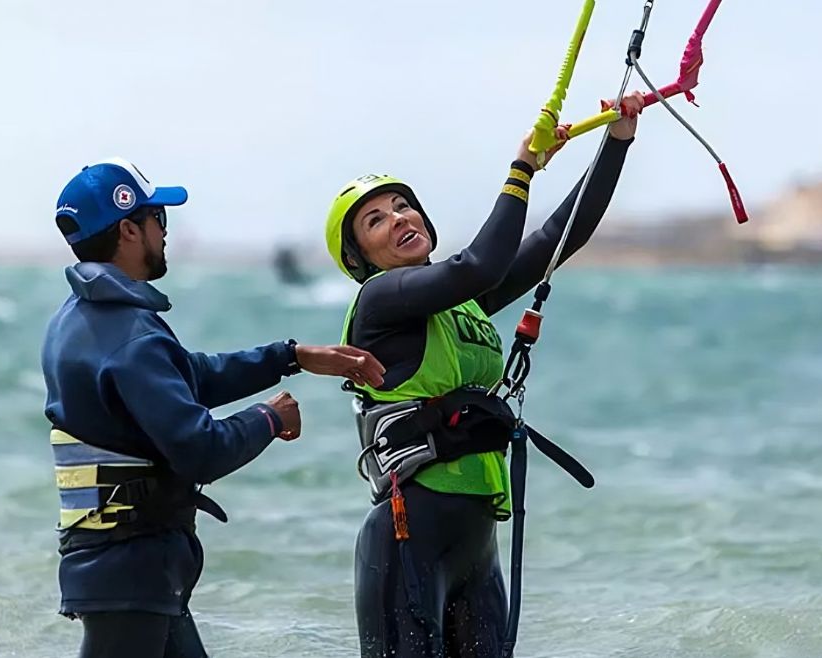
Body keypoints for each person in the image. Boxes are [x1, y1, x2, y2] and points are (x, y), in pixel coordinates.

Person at [323, 91, 645, 658]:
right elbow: (479, 264)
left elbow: (557, 238)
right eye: (376, 220)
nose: (399, 218)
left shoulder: (462, 303)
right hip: (408, 537)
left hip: (477, 545)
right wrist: (522, 169)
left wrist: (616, 142)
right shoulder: (380, 301)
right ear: (360, 257)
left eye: (402, 205)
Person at [43, 157, 386, 658]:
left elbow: (188, 375)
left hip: (127, 571)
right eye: (158, 217)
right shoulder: (129, 337)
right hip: (129, 571)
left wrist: (290, 357)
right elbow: (201, 451)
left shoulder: (78, 320)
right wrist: (269, 418)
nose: (165, 231)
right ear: (128, 230)